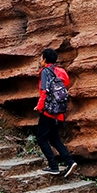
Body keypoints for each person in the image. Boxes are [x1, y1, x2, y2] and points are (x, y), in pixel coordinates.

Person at [34, 48, 77, 177]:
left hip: (49, 111)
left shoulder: (45, 72)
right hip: (60, 111)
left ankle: (53, 166)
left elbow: (44, 91)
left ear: (45, 59)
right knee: (54, 138)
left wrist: (40, 106)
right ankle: (70, 162)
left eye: (41, 57)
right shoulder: (61, 71)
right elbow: (66, 84)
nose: (40, 60)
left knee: (41, 138)